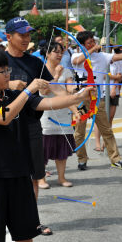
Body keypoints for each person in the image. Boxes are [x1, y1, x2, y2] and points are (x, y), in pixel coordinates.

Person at [0, 49, 93, 242]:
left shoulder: (16, 95)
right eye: (1, 71)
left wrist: (79, 97)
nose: (7, 74)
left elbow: (49, 102)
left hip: (20, 173)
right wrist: (28, 90)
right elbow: (3, 117)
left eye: (7, 69)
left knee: (26, 235)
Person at [4, 17, 79, 235]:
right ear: (9, 36)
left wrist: (77, 102)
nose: (26, 39)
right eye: (22, 35)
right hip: (4, 127)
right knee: (3, 177)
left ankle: (31, 221)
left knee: (33, 176)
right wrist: (8, 84)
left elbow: (54, 89)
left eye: (29, 35)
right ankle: (2, 220)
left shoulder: (35, 63)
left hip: (30, 125)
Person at [71, 30, 122, 170]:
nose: (93, 43)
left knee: (106, 130)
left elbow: (119, 56)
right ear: (81, 45)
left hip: (97, 98)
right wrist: (91, 50)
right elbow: (77, 61)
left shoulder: (103, 56)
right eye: (89, 42)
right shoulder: (77, 55)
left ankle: (115, 159)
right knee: (79, 132)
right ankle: (82, 159)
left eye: (93, 41)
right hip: (81, 97)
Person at [38, 42, 77, 189]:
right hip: (45, 115)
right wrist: (56, 75)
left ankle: (61, 178)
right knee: (42, 150)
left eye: (61, 52)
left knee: (62, 149)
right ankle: (41, 179)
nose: (60, 55)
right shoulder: (41, 70)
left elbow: (69, 89)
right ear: (47, 54)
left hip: (63, 115)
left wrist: (77, 89)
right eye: (56, 52)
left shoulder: (66, 70)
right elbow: (44, 92)